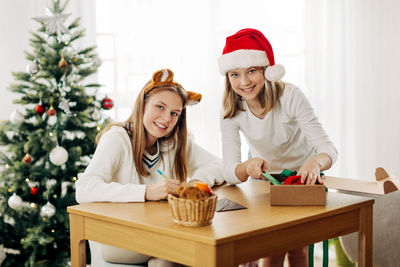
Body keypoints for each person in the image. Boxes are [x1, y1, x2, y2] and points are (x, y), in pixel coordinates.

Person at [75, 68, 224, 267]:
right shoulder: (117, 138)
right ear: (143, 104)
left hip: (159, 233)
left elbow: (219, 166)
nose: (166, 118)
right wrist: (146, 192)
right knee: (195, 250)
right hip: (116, 238)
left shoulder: (175, 143)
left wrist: (195, 183)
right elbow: (84, 188)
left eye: (174, 113)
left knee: (166, 262)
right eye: (160, 107)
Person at [217, 28, 338, 267]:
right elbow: (229, 170)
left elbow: (328, 149)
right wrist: (246, 167)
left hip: (303, 179)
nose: (244, 82)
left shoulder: (290, 96)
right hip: (266, 183)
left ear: (266, 70)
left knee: (296, 250)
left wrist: (314, 163)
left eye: (251, 71)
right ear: (227, 77)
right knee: (271, 250)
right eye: (234, 74)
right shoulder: (231, 109)